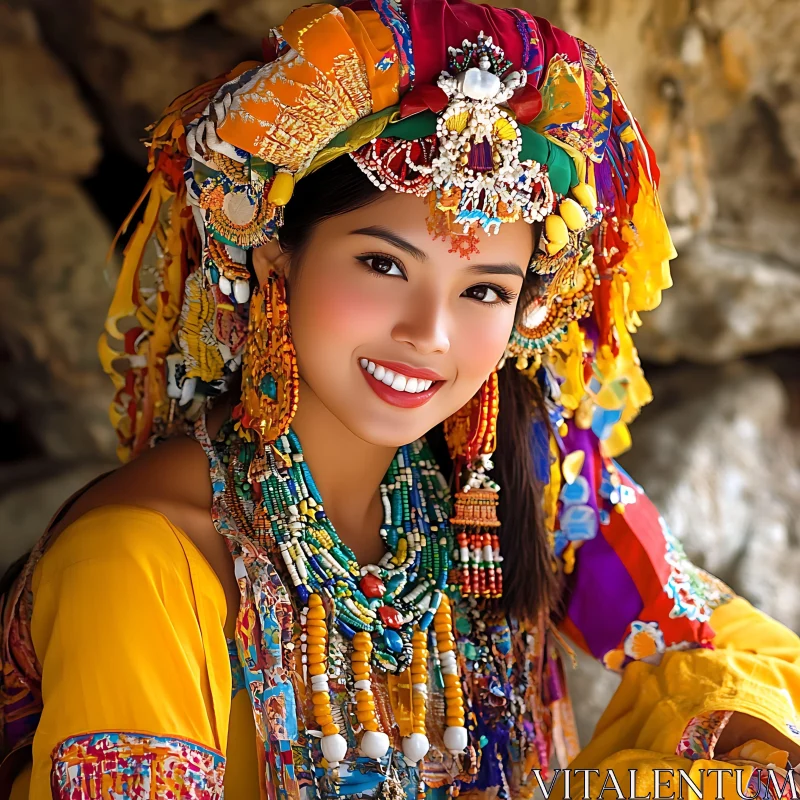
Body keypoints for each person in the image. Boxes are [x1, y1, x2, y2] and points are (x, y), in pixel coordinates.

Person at [3, 1, 800, 797]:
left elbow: (738, 652)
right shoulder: (138, 564)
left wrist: (743, 757)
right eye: (384, 266)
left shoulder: (514, 489)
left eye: (484, 291)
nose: (432, 334)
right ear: (277, 257)